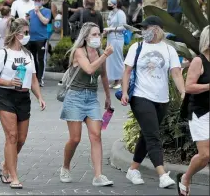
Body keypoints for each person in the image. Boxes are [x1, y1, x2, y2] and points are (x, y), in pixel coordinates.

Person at [121, 16, 185, 188]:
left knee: (147, 134)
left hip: (162, 99)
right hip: (141, 97)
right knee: (153, 136)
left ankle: (133, 169)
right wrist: (125, 92)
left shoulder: (168, 49)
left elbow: (176, 73)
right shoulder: (137, 47)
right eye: (142, 29)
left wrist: (183, 92)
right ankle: (162, 175)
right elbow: (127, 71)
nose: (143, 32)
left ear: (156, 29)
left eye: (146, 28)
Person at [0, 18, 46, 189]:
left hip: (23, 97)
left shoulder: (27, 55)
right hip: (5, 96)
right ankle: (13, 176)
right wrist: (8, 82)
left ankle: (5, 165)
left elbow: (33, 79)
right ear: (16, 33)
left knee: (21, 139)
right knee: (11, 136)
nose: (27, 36)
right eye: (25, 32)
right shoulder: (3, 53)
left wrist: (39, 97)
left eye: (28, 32)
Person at [59, 22, 114, 186]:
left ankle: (98, 176)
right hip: (75, 97)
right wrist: (104, 56)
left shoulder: (99, 52)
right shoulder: (78, 52)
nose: (97, 38)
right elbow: (89, 69)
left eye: (99, 35)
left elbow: (103, 75)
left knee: (96, 136)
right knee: (75, 138)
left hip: (91, 98)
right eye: (94, 35)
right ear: (85, 37)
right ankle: (65, 167)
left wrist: (108, 96)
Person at [178, 25, 210, 195]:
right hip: (200, 113)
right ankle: (186, 177)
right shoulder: (199, 61)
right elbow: (189, 87)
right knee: (205, 155)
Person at [28, 0, 52, 87]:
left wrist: (38, 12)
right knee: (32, 59)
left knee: (41, 59)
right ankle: (34, 78)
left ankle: (40, 79)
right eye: (36, 0)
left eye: (39, 0)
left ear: (42, 1)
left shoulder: (47, 11)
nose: (37, 2)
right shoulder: (30, 11)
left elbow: (45, 21)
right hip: (31, 38)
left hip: (41, 38)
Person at [104, 0, 126, 89]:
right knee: (111, 60)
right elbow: (109, 23)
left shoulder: (120, 13)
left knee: (117, 59)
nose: (109, 6)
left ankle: (121, 80)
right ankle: (115, 80)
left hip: (117, 39)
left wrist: (111, 29)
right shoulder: (111, 13)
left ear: (116, 4)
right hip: (110, 38)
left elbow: (123, 27)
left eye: (111, 4)